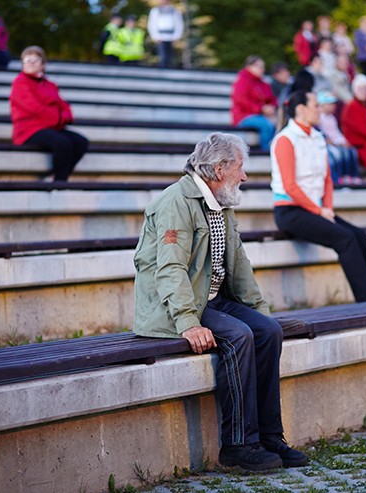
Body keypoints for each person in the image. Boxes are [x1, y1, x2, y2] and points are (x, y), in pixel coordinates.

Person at [132, 132, 309, 472]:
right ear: (218, 168)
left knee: (268, 331)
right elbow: (169, 268)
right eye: (240, 168)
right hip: (175, 308)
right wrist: (188, 322)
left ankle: (270, 436)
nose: (244, 176)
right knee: (239, 336)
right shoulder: (176, 202)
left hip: (211, 300)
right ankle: (239, 444)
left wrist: (261, 313)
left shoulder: (221, 202)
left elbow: (239, 264)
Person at [272, 90, 366, 302]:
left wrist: (328, 209)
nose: (319, 109)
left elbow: (327, 179)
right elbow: (290, 186)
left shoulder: (317, 137)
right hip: (290, 212)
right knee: (345, 238)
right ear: (301, 109)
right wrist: (319, 211)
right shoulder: (285, 140)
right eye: (315, 105)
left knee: (358, 234)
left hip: (316, 210)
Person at [9, 46, 89, 182]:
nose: (30, 63)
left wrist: (65, 117)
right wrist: (58, 118)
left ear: (43, 64)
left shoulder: (49, 84)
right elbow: (34, 108)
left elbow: (63, 106)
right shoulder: (20, 82)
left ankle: (59, 177)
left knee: (81, 142)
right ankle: (59, 182)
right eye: (26, 60)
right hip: (29, 129)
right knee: (63, 143)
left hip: (51, 126)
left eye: (34, 60)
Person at [231, 55, 277, 152]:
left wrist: (271, 107)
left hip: (262, 115)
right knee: (267, 125)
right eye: (259, 67)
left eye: (263, 67)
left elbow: (272, 98)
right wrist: (261, 109)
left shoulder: (262, 83)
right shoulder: (242, 81)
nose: (262, 70)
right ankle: (266, 152)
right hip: (244, 116)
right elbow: (241, 100)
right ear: (249, 67)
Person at [317, 91, 361, 185]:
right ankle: (341, 176)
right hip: (330, 144)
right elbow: (325, 135)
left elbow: (336, 133)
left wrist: (343, 141)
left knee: (352, 151)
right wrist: (336, 143)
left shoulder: (332, 118)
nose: (333, 107)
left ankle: (352, 175)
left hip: (338, 142)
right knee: (340, 154)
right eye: (330, 104)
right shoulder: (319, 118)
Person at [147, 0, 184, 68]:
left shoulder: (174, 11)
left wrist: (177, 36)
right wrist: (155, 36)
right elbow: (152, 24)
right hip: (160, 37)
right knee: (163, 57)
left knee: (170, 57)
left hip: (171, 37)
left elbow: (179, 24)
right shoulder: (155, 11)